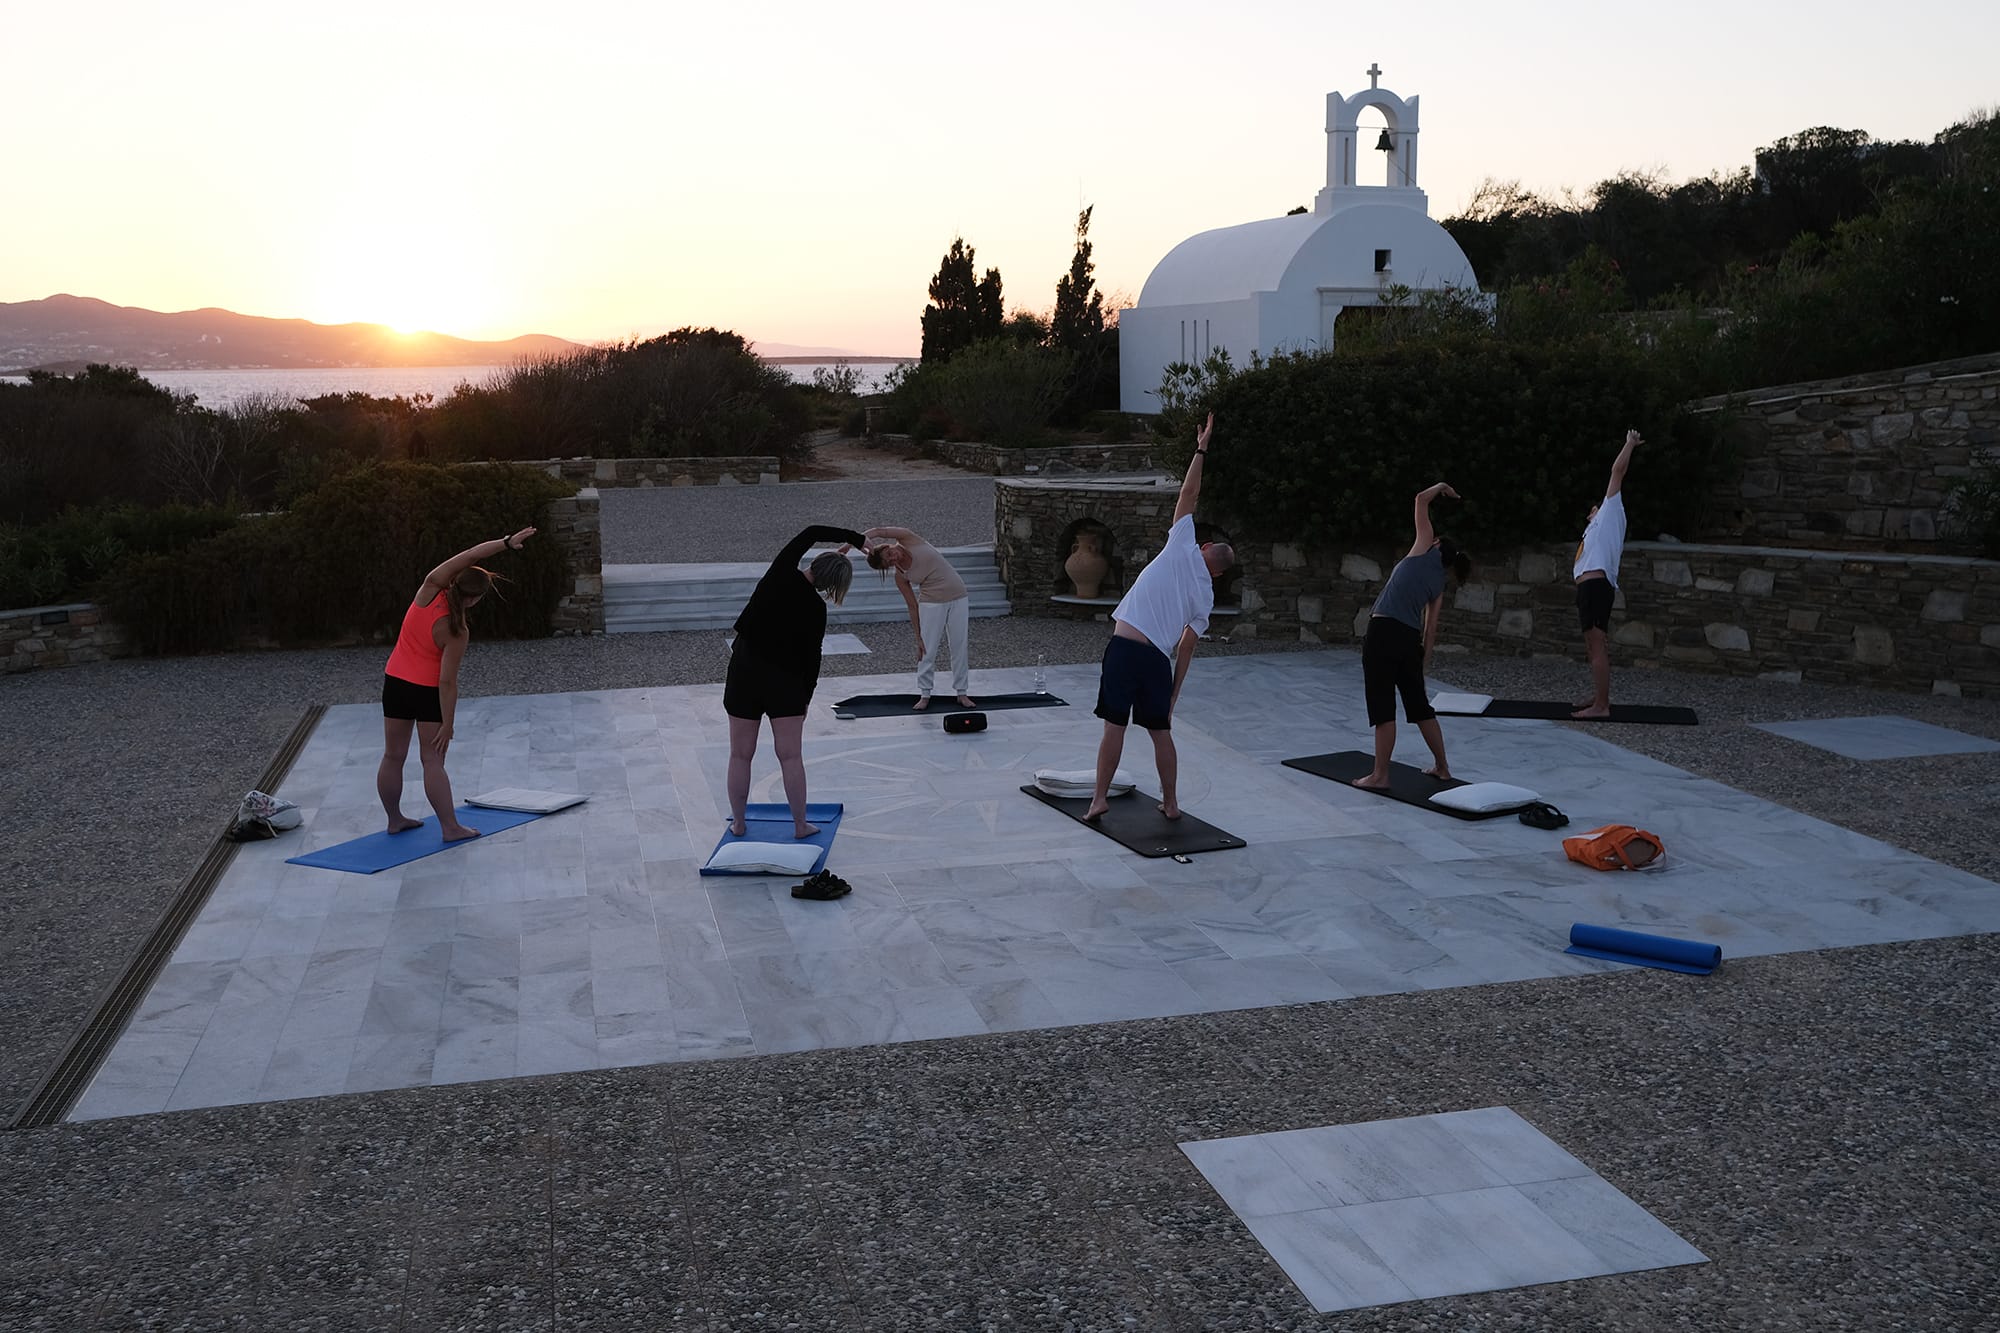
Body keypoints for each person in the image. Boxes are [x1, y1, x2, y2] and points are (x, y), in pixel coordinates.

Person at [1083, 412, 1235, 822]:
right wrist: (1173, 695)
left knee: (1114, 726)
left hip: (1125, 647)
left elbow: (1189, 493)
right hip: (1157, 661)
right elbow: (1187, 645)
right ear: (1219, 572)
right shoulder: (1205, 595)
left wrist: (1201, 447)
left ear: (1204, 548)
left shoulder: (1182, 545)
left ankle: (1099, 798)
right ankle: (1170, 803)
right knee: (1160, 731)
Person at [379, 526, 536, 840]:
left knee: (392, 755)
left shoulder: (428, 590)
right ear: (474, 599)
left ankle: (395, 819)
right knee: (432, 760)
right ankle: (450, 827)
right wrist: (447, 724)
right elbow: (447, 682)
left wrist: (505, 543)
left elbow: (471, 555)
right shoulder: (456, 630)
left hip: (395, 682)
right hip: (426, 693)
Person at [725, 524, 868, 838]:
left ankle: (738, 823)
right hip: (786, 684)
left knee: (740, 754)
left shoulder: (780, 572)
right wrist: (805, 697)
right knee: (790, 756)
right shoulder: (817, 609)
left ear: (813, 564)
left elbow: (810, 532)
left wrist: (853, 539)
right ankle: (800, 825)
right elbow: (812, 659)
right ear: (833, 586)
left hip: (745, 674)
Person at [1354, 484, 1472, 790]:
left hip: (1383, 632)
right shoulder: (1439, 583)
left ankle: (1380, 776)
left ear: (1435, 544)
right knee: (1420, 707)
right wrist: (1424, 662)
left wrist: (1442, 488)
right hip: (1409, 641)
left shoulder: (1421, 549)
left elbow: (1420, 498)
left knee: (1382, 707)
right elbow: (1431, 628)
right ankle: (1443, 767)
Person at [863, 524, 974, 710]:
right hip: (931, 603)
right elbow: (912, 606)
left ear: (887, 546)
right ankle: (925, 693)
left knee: (959, 645)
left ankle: (962, 693)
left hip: (959, 596)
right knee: (927, 649)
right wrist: (918, 637)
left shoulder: (909, 539)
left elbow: (879, 530)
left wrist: (851, 542)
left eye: (889, 554)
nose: (893, 558)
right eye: (889, 563)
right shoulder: (900, 575)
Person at [1572, 429, 1641, 719]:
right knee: (1592, 644)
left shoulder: (1612, 511)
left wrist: (1629, 444)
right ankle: (1599, 697)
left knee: (1597, 643)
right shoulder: (1594, 528)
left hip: (1597, 587)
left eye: (1596, 508)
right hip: (1589, 589)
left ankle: (1601, 706)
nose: (1593, 509)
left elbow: (1617, 470)